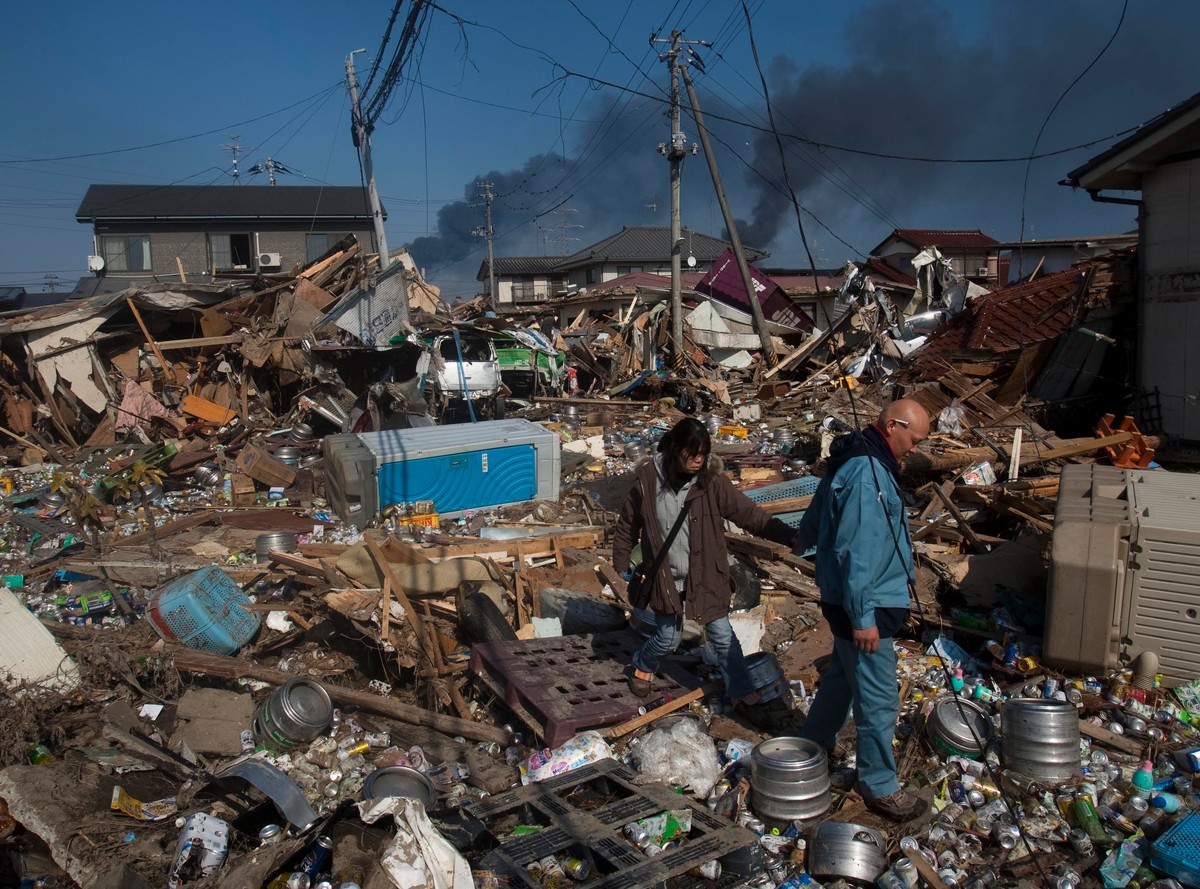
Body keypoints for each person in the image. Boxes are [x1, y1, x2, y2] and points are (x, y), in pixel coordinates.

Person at [795, 398, 931, 821]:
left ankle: (812, 747)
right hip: (865, 604)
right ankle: (880, 786)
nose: (914, 449)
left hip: (856, 600)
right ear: (893, 425)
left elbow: (818, 522)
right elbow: (857, 551)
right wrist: (863, 618)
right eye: (914, 439)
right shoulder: (867, 472)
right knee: (879, 700)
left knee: (841, 679)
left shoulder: (858, 459)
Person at [612, 417, 798, 719]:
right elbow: (627, 526)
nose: (698, 460)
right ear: (675, 449)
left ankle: (738, 689)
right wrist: (622, 561)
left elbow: (747, 513)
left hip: (706, 573)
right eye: (692, 454)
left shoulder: (712, 482)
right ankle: (642, 664)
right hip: (665, 576)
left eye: (703, 454)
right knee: (668, 638)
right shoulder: (647, 482)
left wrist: (787, 534)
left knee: (722, 634)